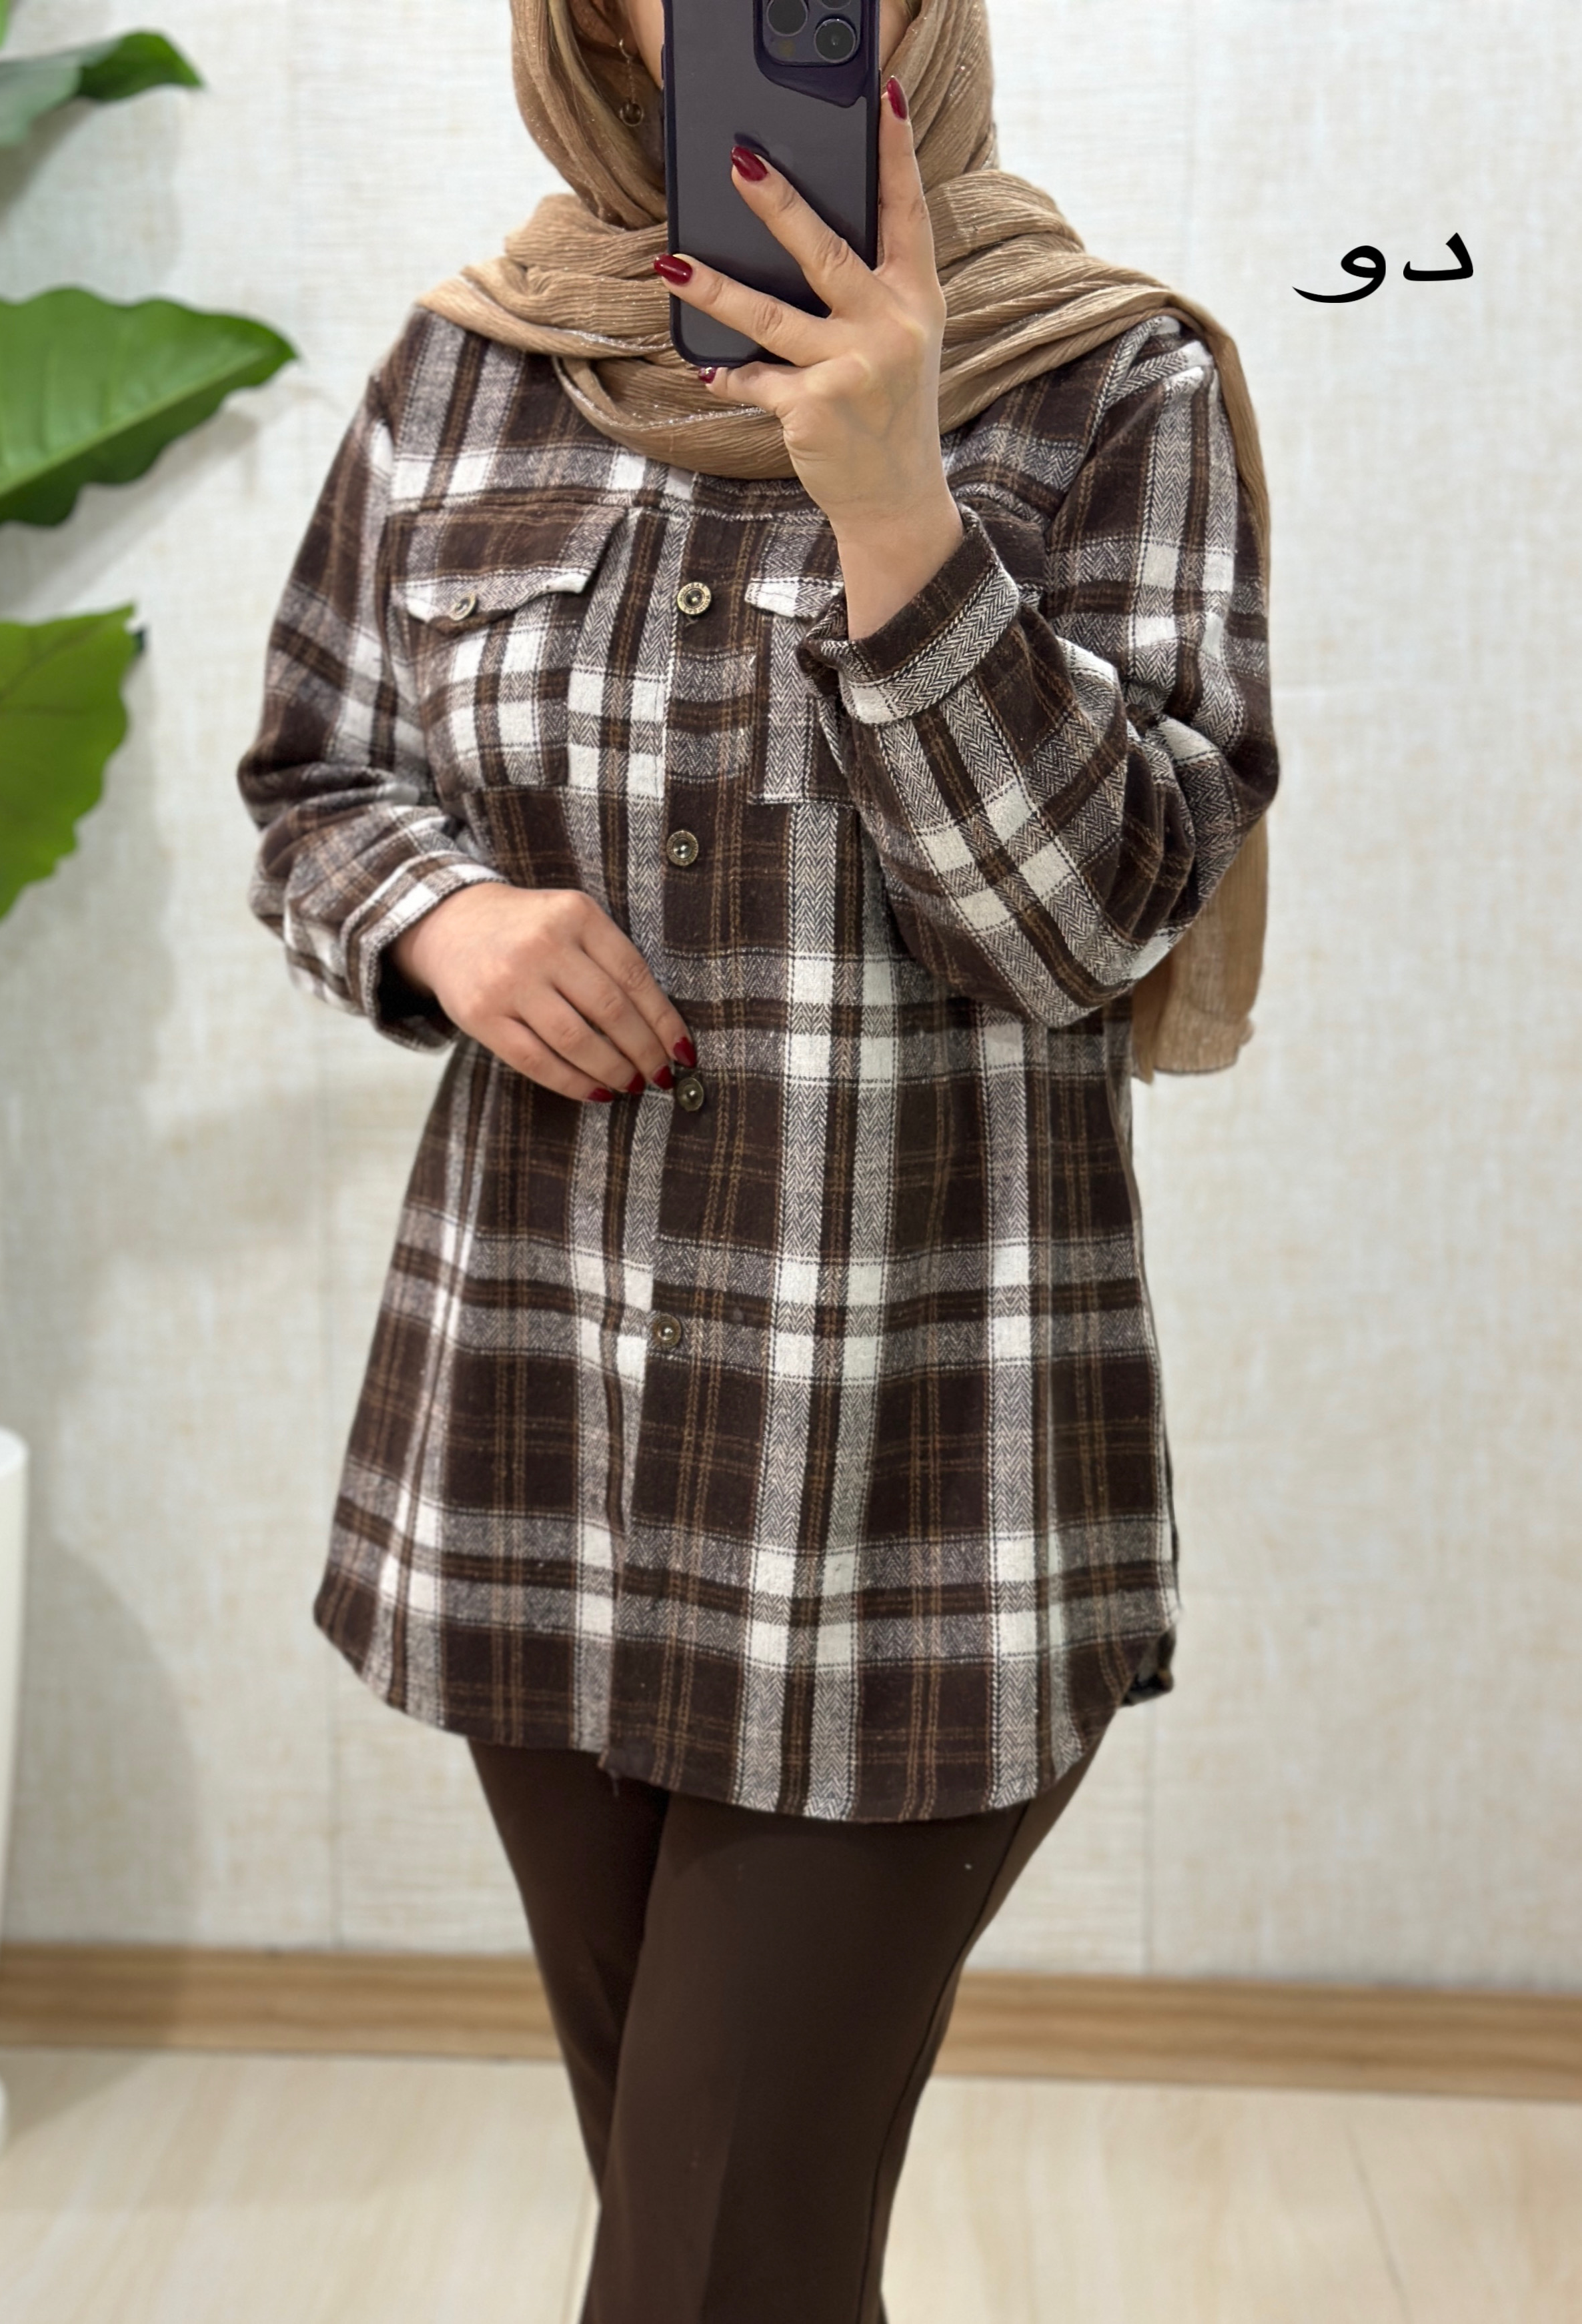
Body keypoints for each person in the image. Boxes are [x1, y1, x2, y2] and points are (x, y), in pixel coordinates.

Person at [237, 0, 1277, 2315]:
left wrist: (897, 497)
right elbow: (315, 783)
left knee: (707, 2258)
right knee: (726, 2241)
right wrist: (445, 918)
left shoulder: (1110, 381)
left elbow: (1085, 922)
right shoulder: (469, 367)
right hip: (537, 1461)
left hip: (914, 1499)